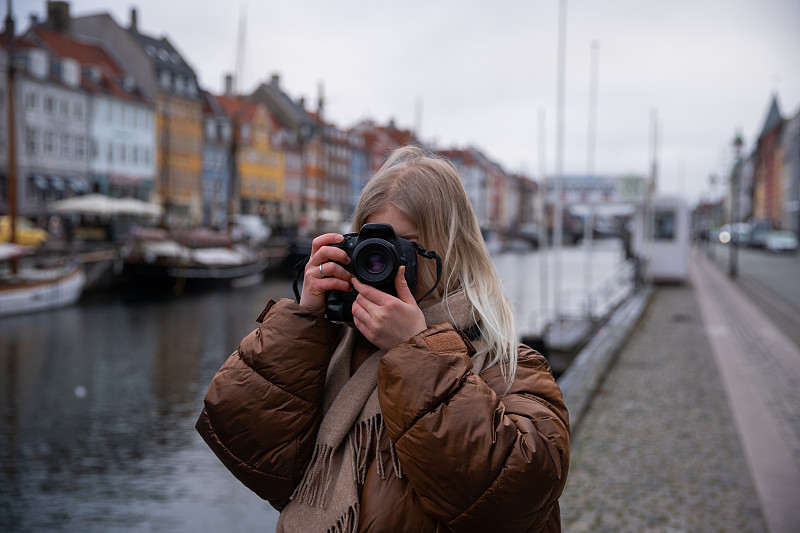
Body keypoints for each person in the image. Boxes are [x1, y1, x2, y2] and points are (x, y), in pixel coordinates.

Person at [196, 146, 570, 532]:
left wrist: (419, 352)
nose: (383, 265)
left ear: (451, 251)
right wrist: (303, 321)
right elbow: (251, 451)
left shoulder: (509, 364)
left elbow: (521, 495)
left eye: (401, 248)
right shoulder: (334, 348)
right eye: (370, 249)